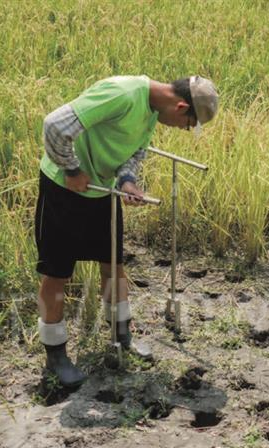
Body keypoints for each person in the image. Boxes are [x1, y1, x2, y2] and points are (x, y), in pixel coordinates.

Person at [36, 75, 218, 386]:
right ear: (181, 106)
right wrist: (72, 169)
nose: (181, 129)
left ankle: (122, 336)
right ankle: (56, 356)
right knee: (57, 274)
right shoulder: (122, 94)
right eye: (186, 124)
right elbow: (54, 124)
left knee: (114, 266)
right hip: (63, 190)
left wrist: (127, 181)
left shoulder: (151, 111)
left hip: (102, 192)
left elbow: (134, 153)